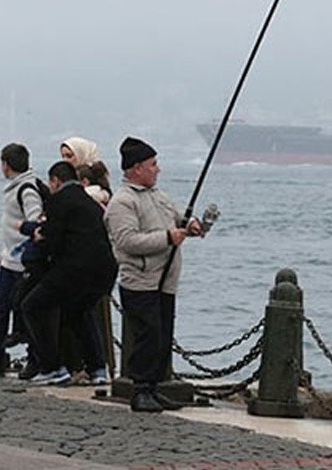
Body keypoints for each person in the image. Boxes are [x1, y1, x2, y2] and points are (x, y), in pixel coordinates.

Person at [104, 137, 202, 412]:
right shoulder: (122, 202)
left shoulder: (159, 196)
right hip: (141, 280)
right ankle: (140, 390)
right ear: (136, 168)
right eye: (152, 164)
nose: (157, 169)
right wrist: (168, 238)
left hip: (165, 281)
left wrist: (190, 225)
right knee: (147, 335)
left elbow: (176, 218)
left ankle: (155, 387)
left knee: (162, 335)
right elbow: (127, 241)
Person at [20, 161, 116, 385]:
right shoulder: (88, 201)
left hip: (74, 269)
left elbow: (53, 242)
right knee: (78, 312)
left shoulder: (58, 201)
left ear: (55, 181)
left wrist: (38, 238)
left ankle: (52, 367)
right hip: (104, 271)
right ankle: (97, 369)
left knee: (32, 306)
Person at [0, 143, 44, 377]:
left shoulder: (26, 190)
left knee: (24, 313)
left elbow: (36, 222)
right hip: (8, 261)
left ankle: (34, 359)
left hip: (21, 263)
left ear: (6, 165)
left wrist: (24, 236)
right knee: (1, 310)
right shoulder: (14, 188)